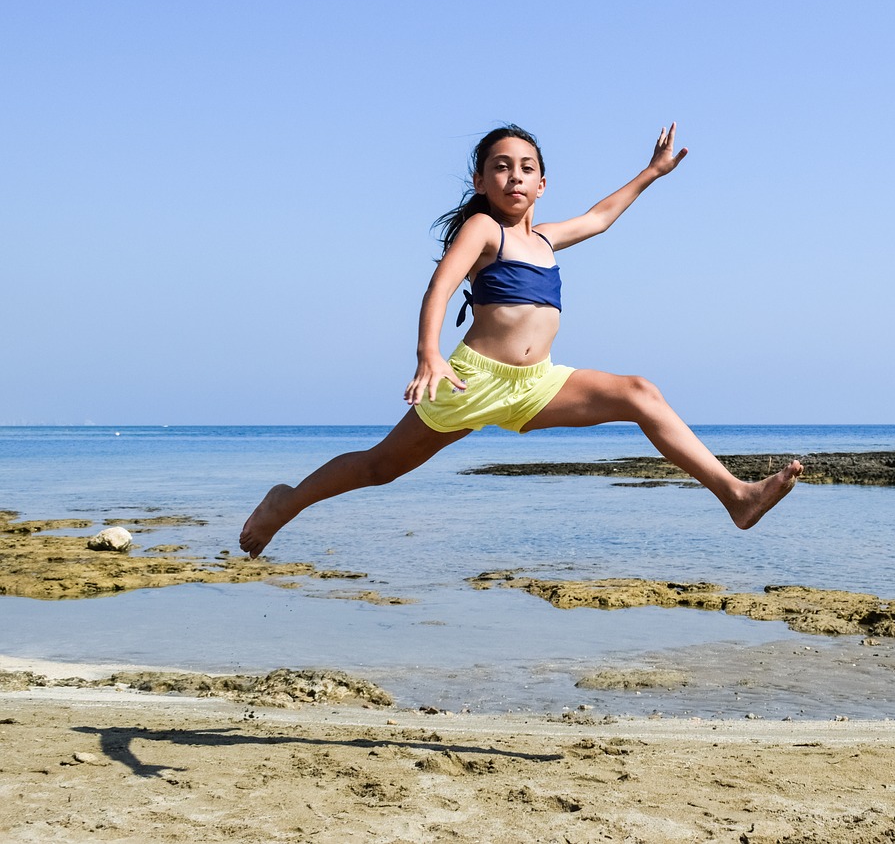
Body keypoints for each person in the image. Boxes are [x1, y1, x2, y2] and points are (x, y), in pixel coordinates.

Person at [240, 123, 802, 558]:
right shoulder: (484, 230)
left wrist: (652, 172)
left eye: (526, 168)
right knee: (379, 468)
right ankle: (285, 503)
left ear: (542, 183)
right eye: (500, 168)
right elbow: (440, 283)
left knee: (640, 392)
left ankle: (736, 495)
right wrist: (428, 354)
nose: (514, 177)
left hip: (538, 385)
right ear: (481, 183)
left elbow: (601, 217)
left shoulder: (548, 239)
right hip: (472, 380)